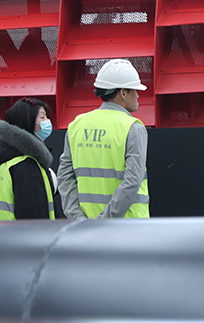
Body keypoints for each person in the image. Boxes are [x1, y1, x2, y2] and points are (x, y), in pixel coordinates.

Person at [57, 59, 149, 219]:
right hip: (129, 226)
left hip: (85, 226)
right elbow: (132, 181)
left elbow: (65, 177)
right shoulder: (133, 128)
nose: (138, 95)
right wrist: (104, 221)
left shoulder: (77, 125)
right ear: (123, 93)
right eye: (134, 90)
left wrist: (78, 218)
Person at [0, 97, 56, 220]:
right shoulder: (26, 165)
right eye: (42, 117)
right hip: (20, 232)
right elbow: (33, 216)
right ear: (28, 121)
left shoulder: (4, 157)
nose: (47, 121)